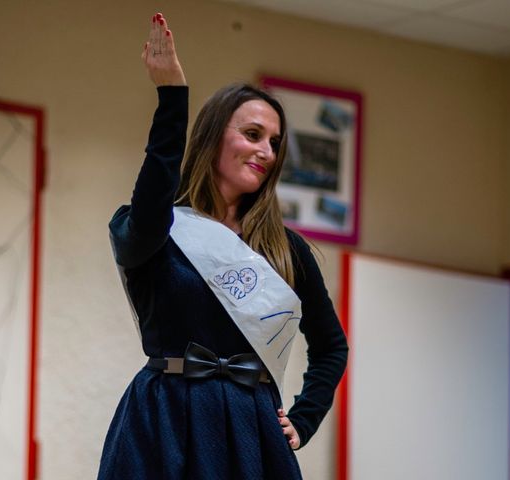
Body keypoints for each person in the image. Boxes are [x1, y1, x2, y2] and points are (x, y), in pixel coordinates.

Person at [97, 12, 348, 480]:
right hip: (163, 421)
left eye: (274, 143)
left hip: (251, 431)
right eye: (252, 135)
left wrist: (305, 417)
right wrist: (172, 96)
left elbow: (331, 346)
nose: (267, 153)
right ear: (213, 138)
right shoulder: (155, 229)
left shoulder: (287, 250)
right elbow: (153, 198)